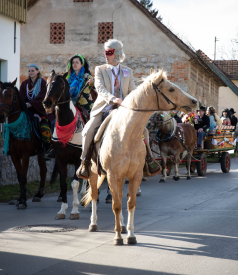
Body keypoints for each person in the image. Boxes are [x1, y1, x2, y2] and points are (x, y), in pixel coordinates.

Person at [76, 39, 160, 201]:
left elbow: (132, 90)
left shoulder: (128, 71)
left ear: (117, 53)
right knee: (88, 130)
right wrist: (113, 99)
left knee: (144, 130)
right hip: (105, 108)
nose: (105, 55)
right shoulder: (100, 69)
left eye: (109, 52)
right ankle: (85, 163)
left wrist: (134, 102)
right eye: (105, 53)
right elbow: (100, 89)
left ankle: (149, 160)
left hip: (124, 111)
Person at [44, 54, 95, 159]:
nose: (74, 64)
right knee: (54, 123)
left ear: (82, 65)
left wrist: (92, 83)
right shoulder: (67, 77)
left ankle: (92, 146)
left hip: (83, 106)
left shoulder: (87, 77)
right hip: (69, 107)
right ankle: (54, 147)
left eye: (77, 62)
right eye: (73, 62)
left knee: (89, 123)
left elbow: (95, 86)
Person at [20, 64, 54, 158]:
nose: (31, 72)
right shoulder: (24, 84)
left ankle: (47, 149)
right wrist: (24, 105)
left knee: (44, 127)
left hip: (41, 111)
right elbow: (21, 97)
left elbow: (43, 97)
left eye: (33, 71)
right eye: (29, 71)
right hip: (27, 111)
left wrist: (31, 103)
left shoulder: (43, 83)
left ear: (38, 71)